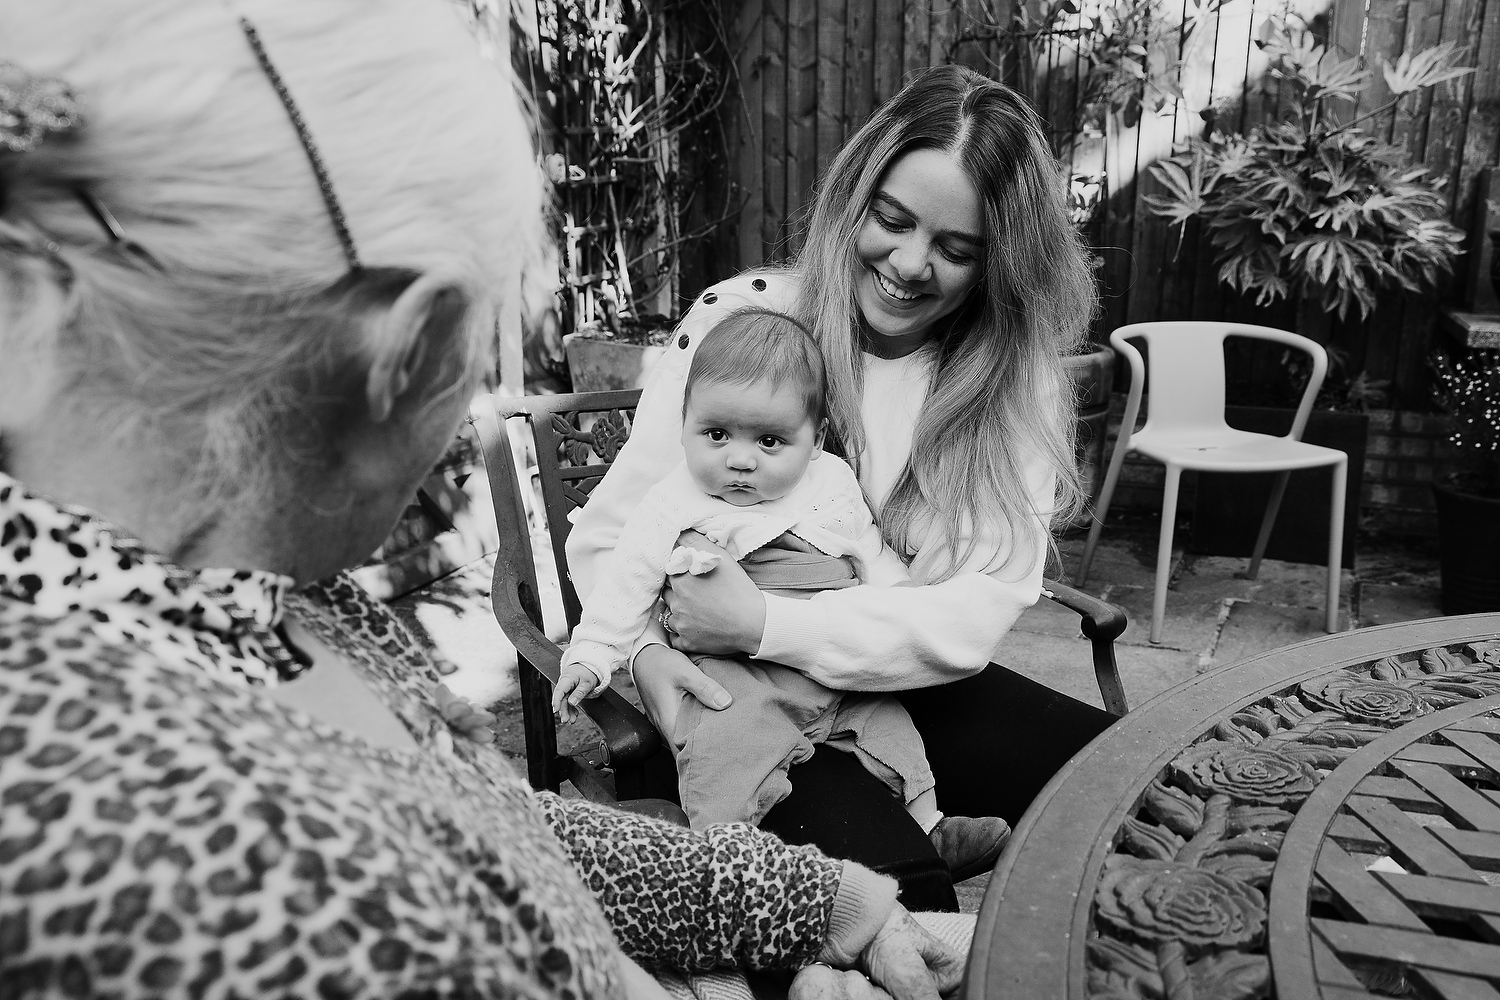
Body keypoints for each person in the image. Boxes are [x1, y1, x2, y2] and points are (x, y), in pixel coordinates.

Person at [0, 3, 965, 997]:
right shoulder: (230, 874)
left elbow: (502, 828)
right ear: (411, 348)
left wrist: (818, 898)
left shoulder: (265, 595)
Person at [567, 64, 1113, 909]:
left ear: (1002, 263)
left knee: (1145, 791)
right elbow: (612, 537)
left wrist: (763, 621)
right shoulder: (747, 326)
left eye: (957, 249)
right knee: (900, 906)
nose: (908, 264)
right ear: (854, 198)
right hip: (746, 706)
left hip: (913, 682)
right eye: (891, 221)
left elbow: (972, 612)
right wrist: (639, 658)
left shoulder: (1017, 383)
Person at [553, 309, 1010, 873]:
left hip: (832, 662)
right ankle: (724, 863)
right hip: (736, 673)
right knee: (724, 748)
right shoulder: (675, 499)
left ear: (814, 440)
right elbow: (627, 584)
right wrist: (594, 654)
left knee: (891, 728)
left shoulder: (832, 482)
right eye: (716, 434)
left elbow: (874, 558)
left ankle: (928, 823)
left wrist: (899, 603)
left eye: (770, 441)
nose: (740, 459)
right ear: (684, 423)